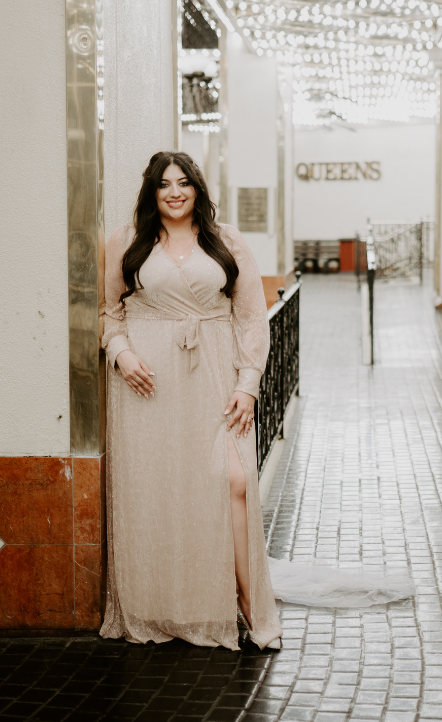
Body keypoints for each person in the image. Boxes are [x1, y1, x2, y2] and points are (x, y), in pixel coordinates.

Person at [99, 151, 281, 649]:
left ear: (198, 189)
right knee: (162, 491)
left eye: (184, 183)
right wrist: (122, 354)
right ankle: (172, 605)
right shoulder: (126, 242)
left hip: (216, 379)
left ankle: (247, 604)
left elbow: (250, 317)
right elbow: (107, 311)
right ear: (151, 192)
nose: (174, 192)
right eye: (164, 184)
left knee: (235, 480)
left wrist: (248, 383)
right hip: (148, 386)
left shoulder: (225, 242)